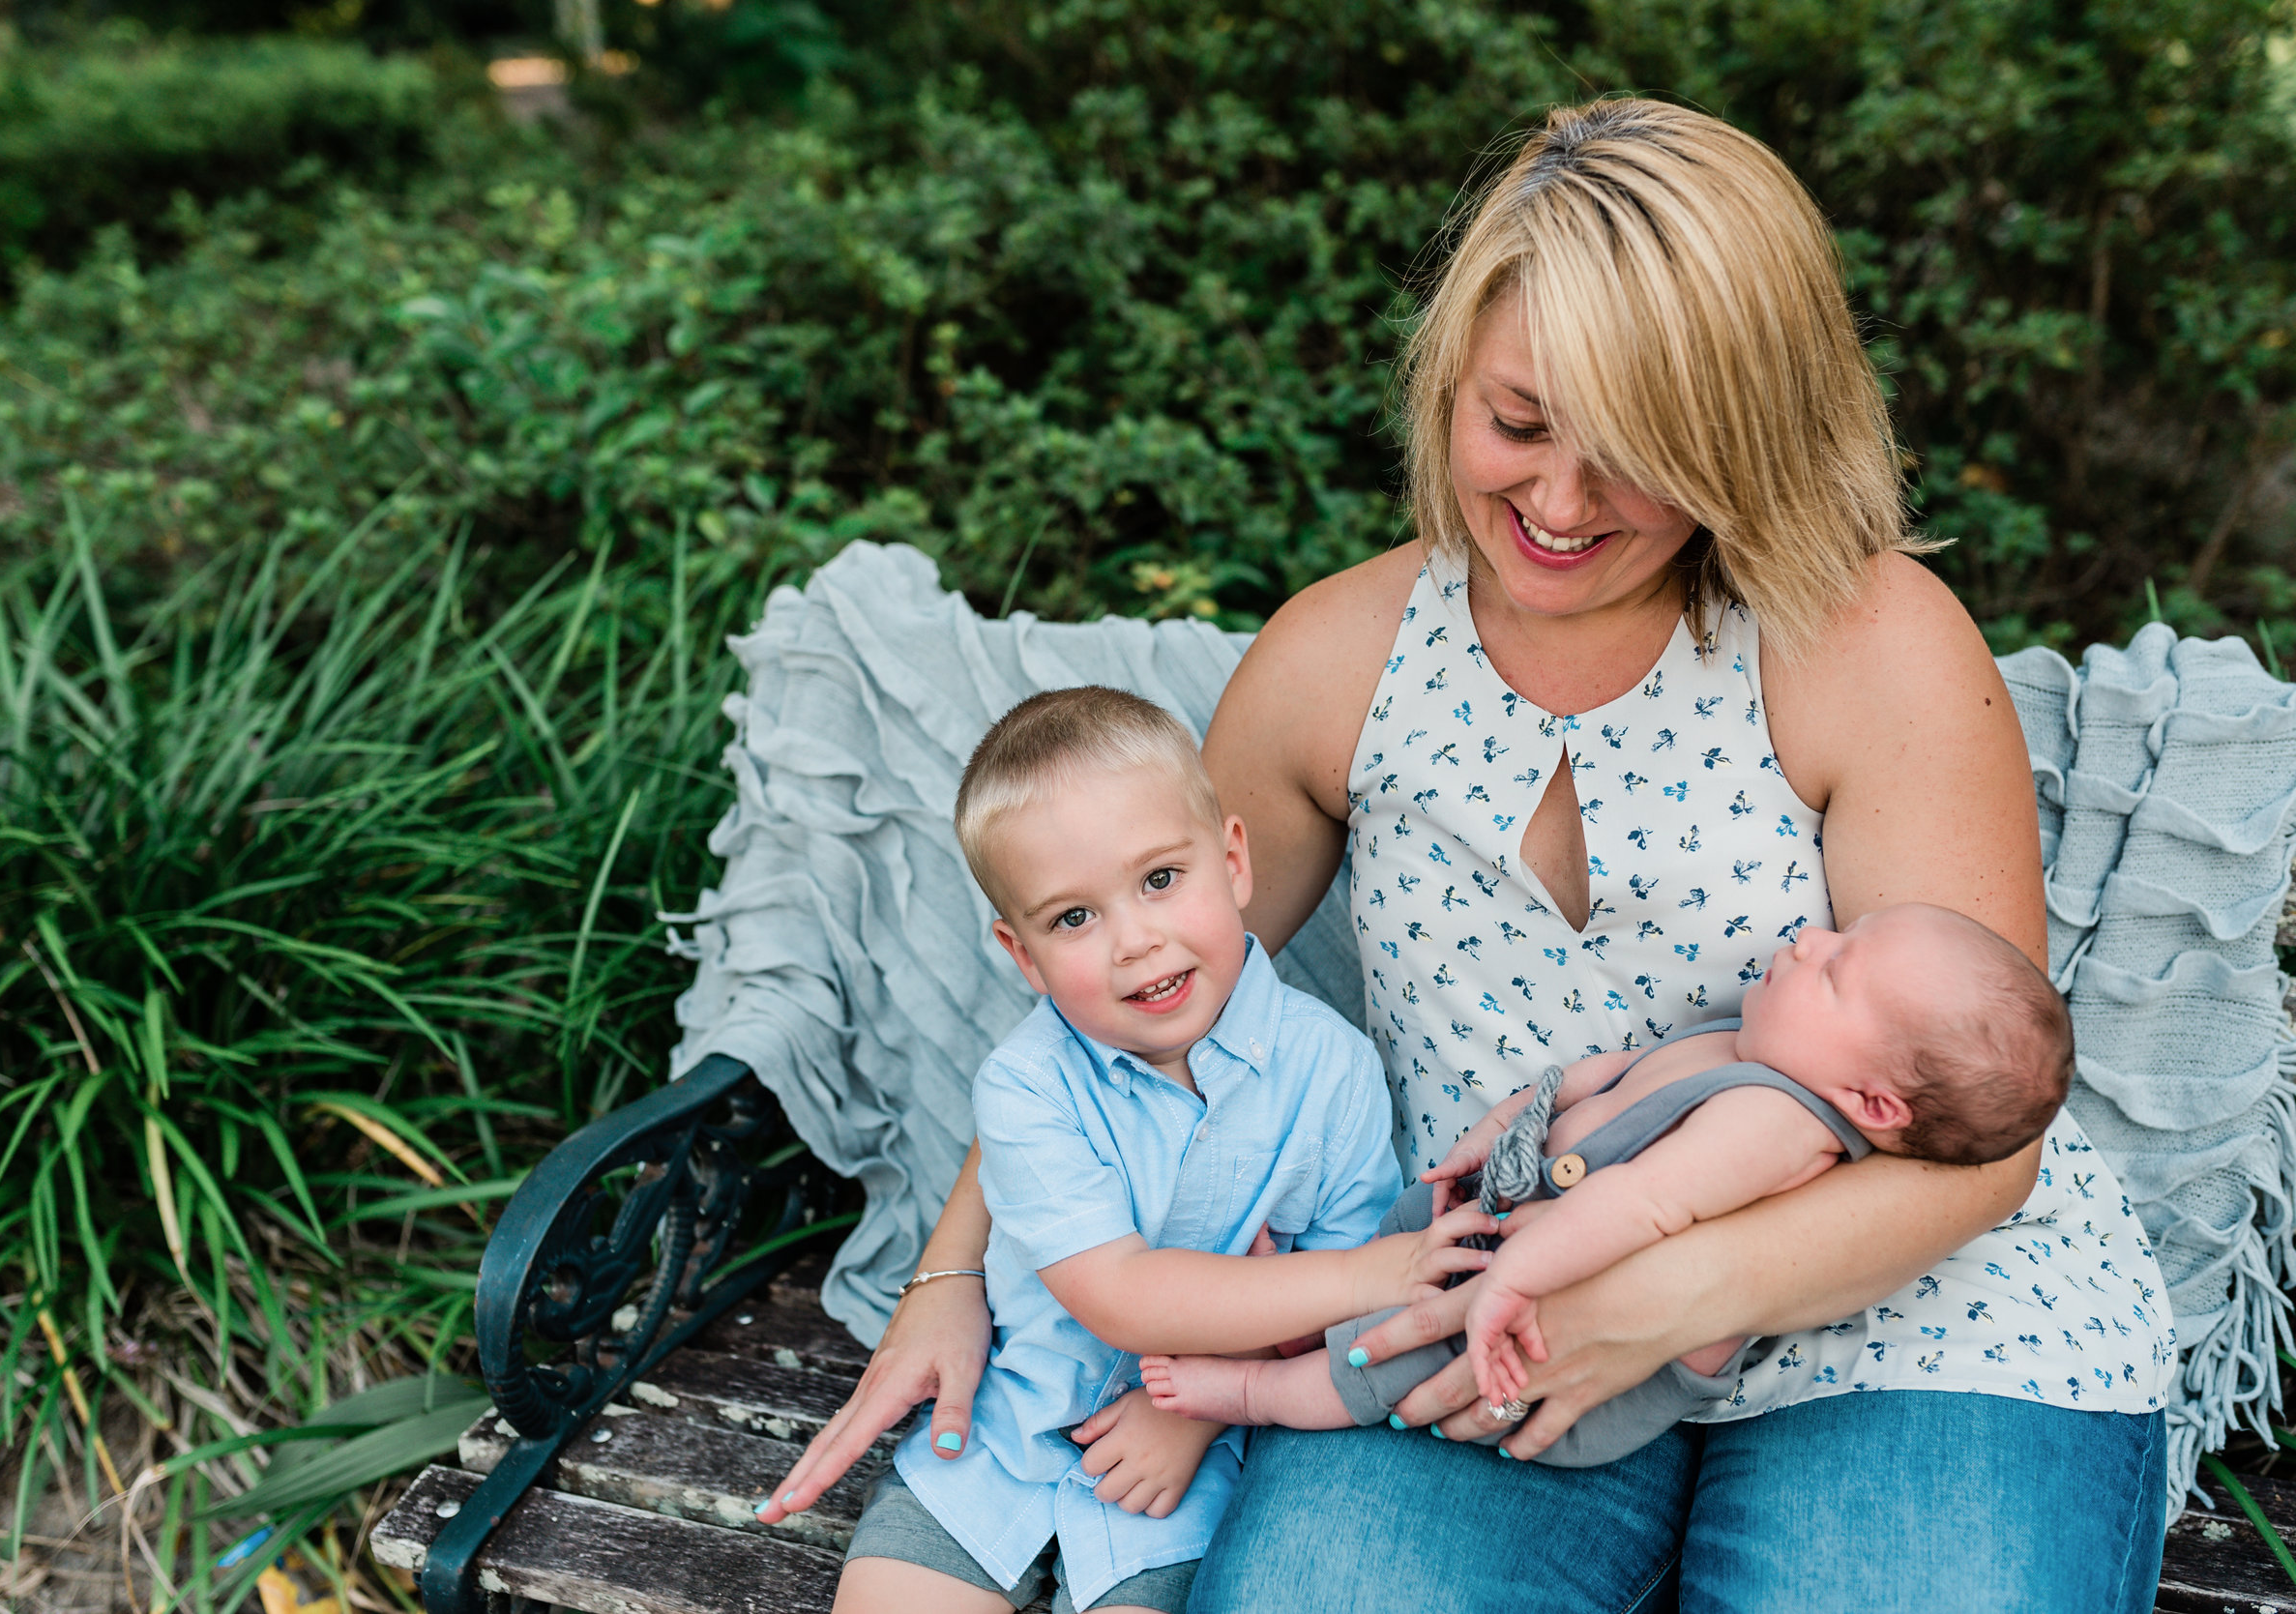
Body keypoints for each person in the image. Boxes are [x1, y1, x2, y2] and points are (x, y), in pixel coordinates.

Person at [772, 97, 2178, 1611]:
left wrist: (1649, 1298)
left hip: (1915, 1324)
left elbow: (1981, 1154)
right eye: (1516, 424)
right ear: (1452, 377)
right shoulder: (1337, 661)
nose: (1561, 507)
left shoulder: (1868, 638)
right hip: (1477, 1307)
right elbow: (1123, 964)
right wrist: (956, 1268)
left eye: (1641, 456)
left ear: (1747, 433)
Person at [827, 687, 1495, 1614]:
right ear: (1022, 956)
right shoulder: (1026, 1087)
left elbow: (1331, 1327)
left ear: (1231, 860)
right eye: (1073, 919)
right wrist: (1379, 1272)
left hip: (1191, 1467)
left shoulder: (1330, 1069)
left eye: (1158, 880)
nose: (1136, 940)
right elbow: (1121, 1291)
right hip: (998, 1442)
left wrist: (1214, 1400)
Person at [1137, 903, 2075, 1462]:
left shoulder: (1779, 1123)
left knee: (1388, 1362)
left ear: (1870, 1102)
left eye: (1834, 972)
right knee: (1392, 1262)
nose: (1805, 939)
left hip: (1560, 1321)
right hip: (1521, 1221)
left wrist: (1512, 1281)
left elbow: (1641, 1202)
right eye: (1833, 935)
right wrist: (1509, 1119)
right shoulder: (1751, 1044)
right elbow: (1606, 1077)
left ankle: (1259, 1395)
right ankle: (1282, 1319)